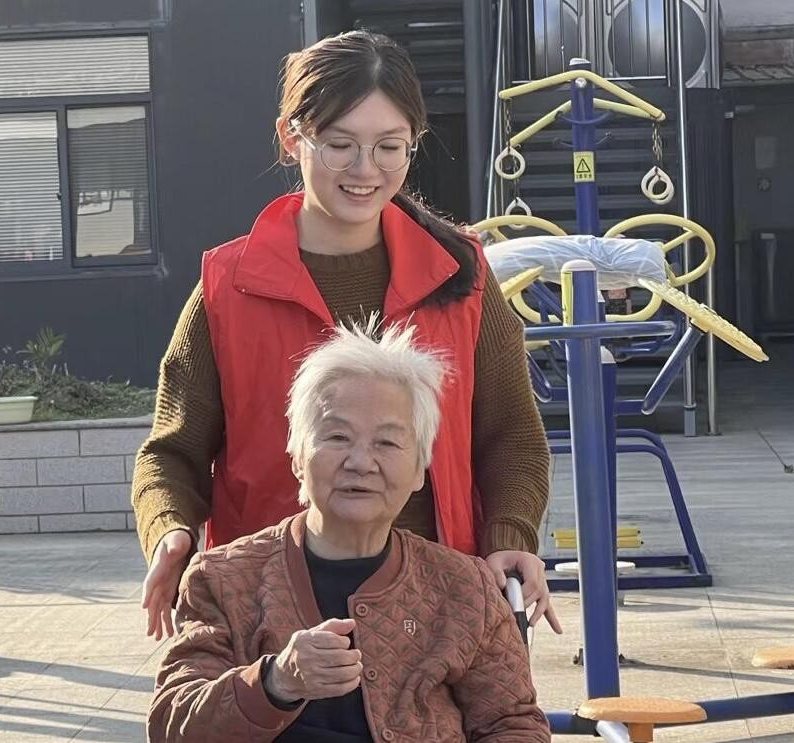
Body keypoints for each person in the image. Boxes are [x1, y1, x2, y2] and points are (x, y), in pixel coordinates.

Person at [133, 29, 560, 641]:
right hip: (273, 616)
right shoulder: (230, 287)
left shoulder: (460, 276)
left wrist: (510, 533)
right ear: (292, 139)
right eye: (339, 145)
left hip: (440, 612)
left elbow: (512, 434)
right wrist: (170, 530)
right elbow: (172, 453)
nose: (365, 170)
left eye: (390, 147)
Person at [148, 323, 551, 743]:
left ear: (420, 470)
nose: (360, 462)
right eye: (337, 437)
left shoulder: (465, 588)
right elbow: (171, 726)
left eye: (387, 443)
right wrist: (275, 682)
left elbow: (513, 724)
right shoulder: (222, 580)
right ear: (297, 457)